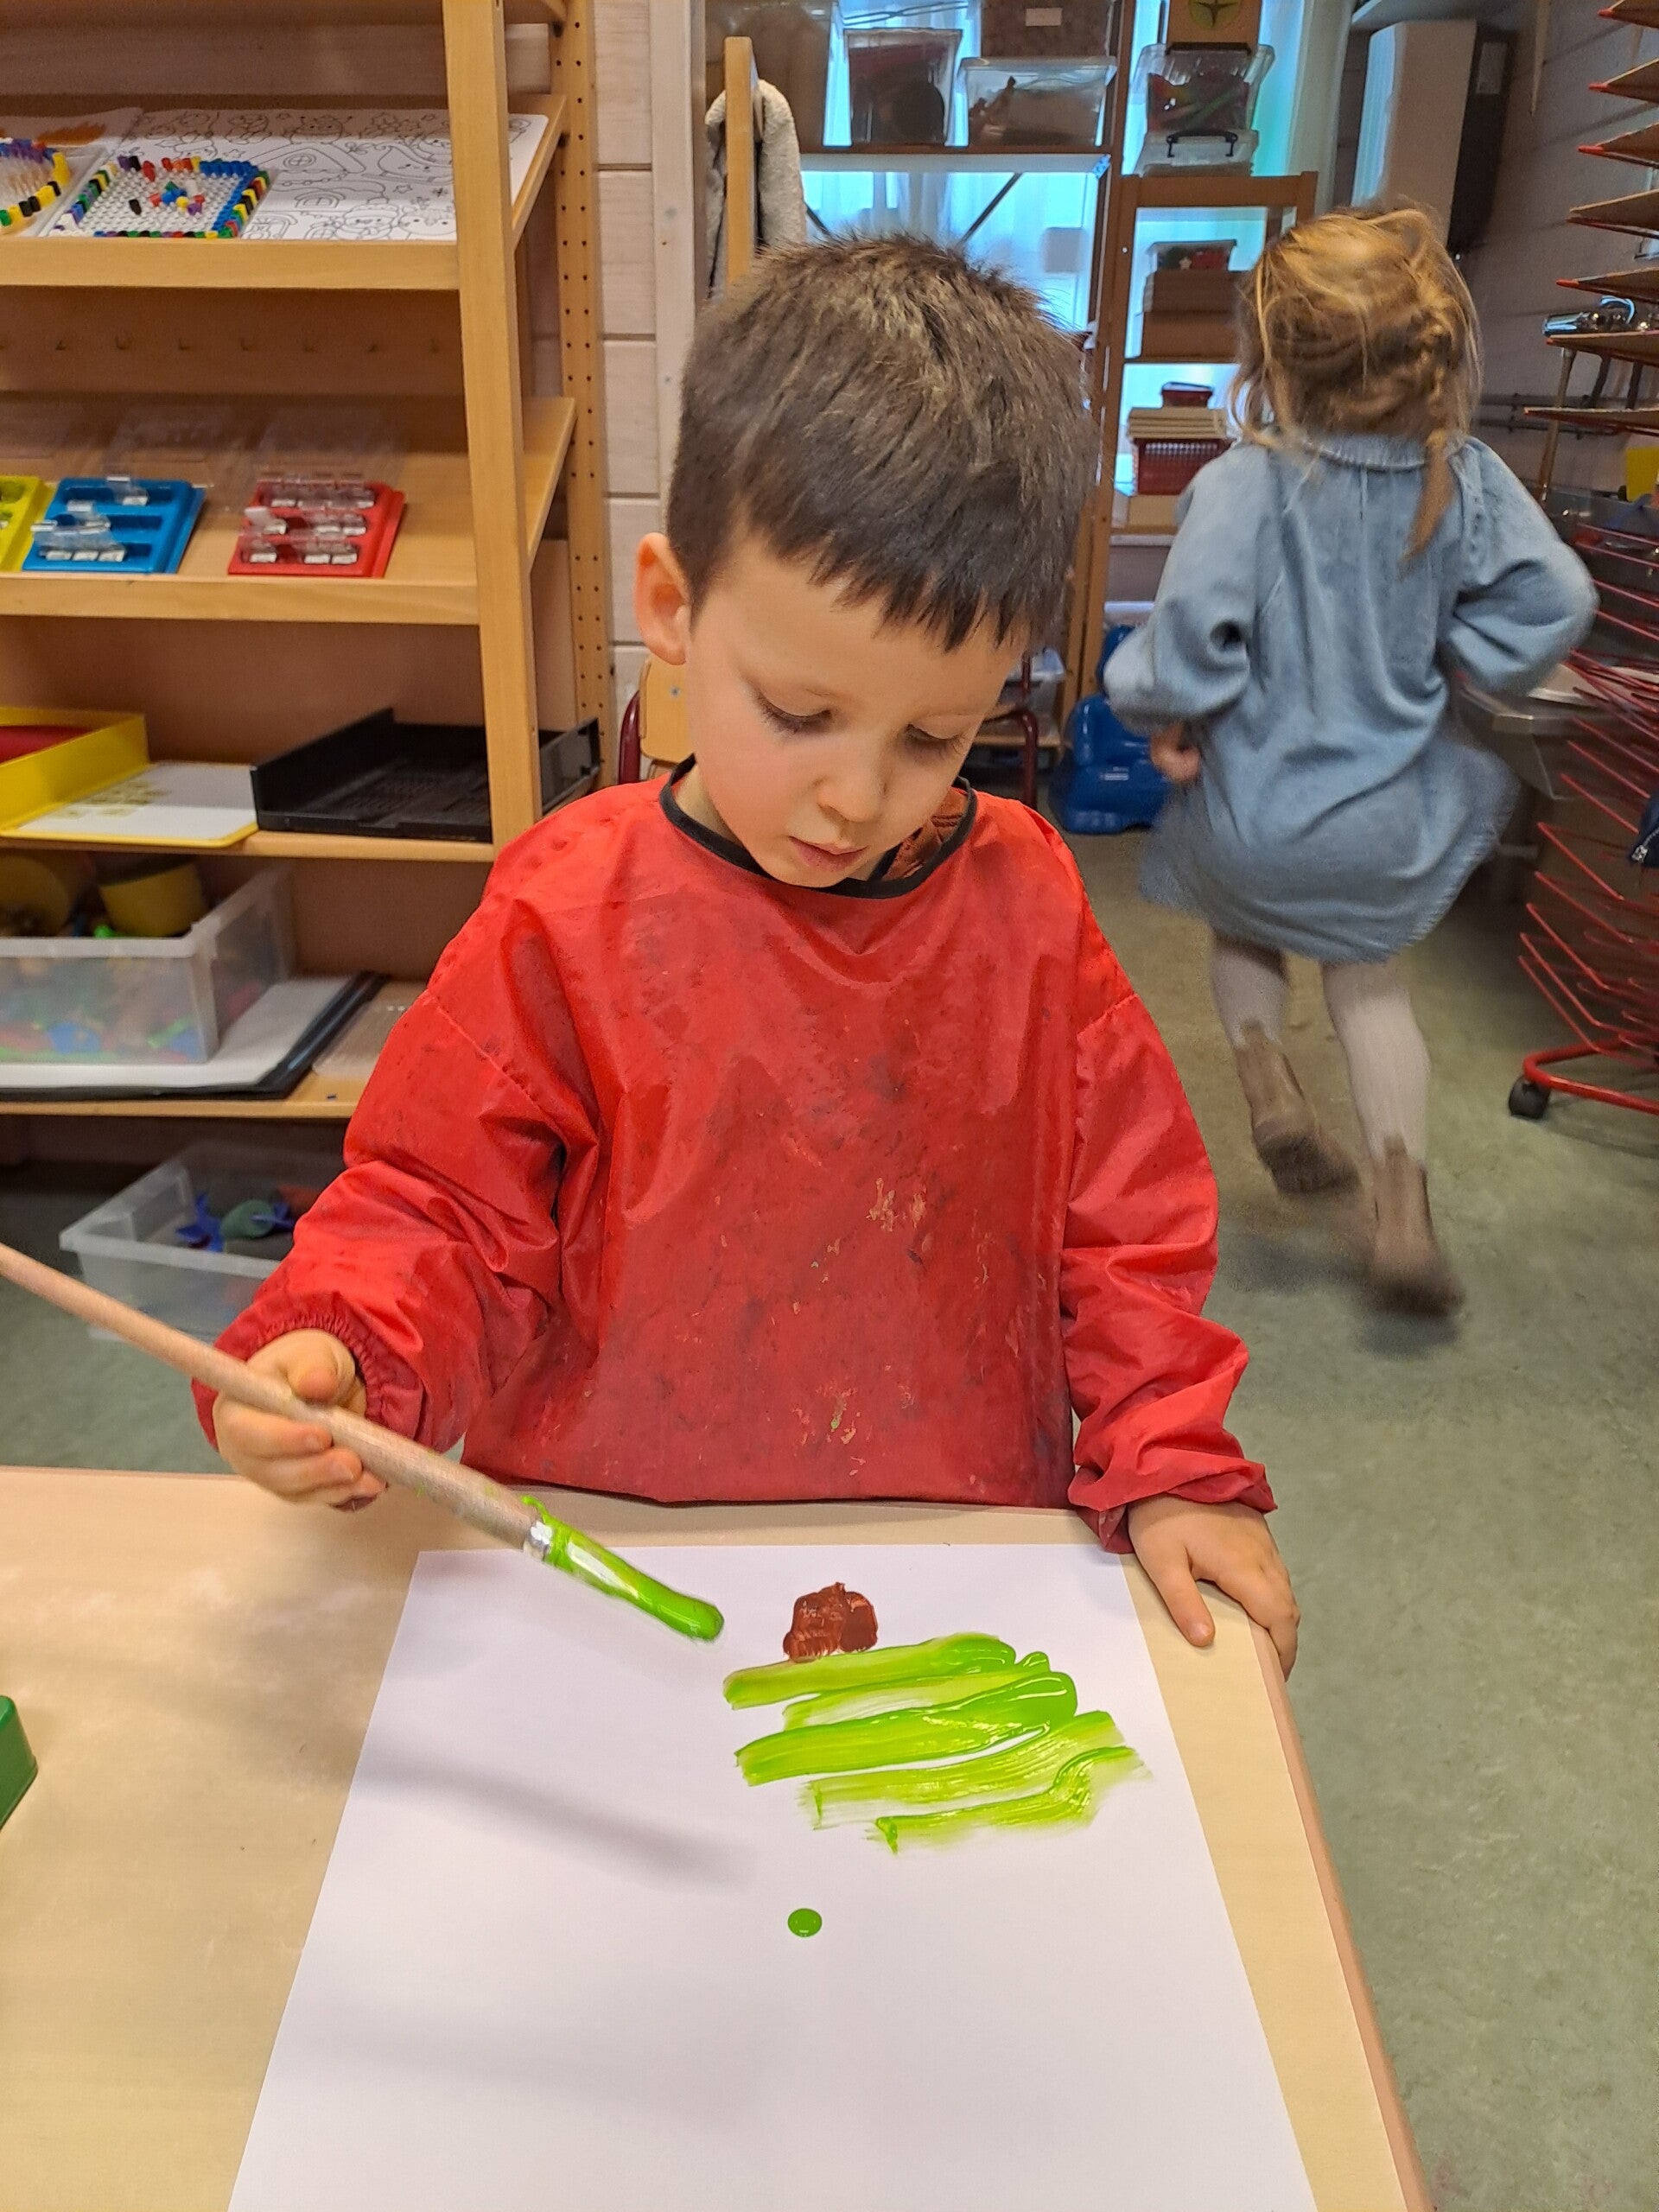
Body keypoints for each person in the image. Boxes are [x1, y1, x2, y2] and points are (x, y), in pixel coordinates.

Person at [202, 236, 1299, 1672]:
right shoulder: (565, 913)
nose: (857, 797)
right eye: (798, 714)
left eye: (934, 736)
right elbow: (441, 1209)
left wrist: (1170, 1459)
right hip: (607, 1560)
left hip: (954, 1548)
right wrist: (348, 1347)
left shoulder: (1025, 901)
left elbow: (1129, 1235)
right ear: (671, 607)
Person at [1107, 206, 1596, 1314]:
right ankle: (1402, 1208)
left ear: (1271, 362)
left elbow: (1190, 635)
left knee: (1242, 931)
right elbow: (1558, 599)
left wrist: (1164, 710)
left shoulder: (1246, 481)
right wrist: (1467, 660)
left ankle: (1266, 1080)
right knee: (1371, 988)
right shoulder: (1463, 477)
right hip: (1383, 819)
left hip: (1251, 814)